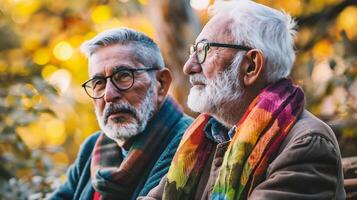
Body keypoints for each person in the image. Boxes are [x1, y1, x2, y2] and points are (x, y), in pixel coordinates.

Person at [139, 1, 345, 199]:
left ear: (251, 67)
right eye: (194, 51)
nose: (188, 66)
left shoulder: (307, 144)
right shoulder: (205, 136)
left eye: (203, 51)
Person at [50, 28, 193, 200]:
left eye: (123, 75)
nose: (109, 95)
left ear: (161, 83)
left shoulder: (189, 143)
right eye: (98, 83)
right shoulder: (92, 148)